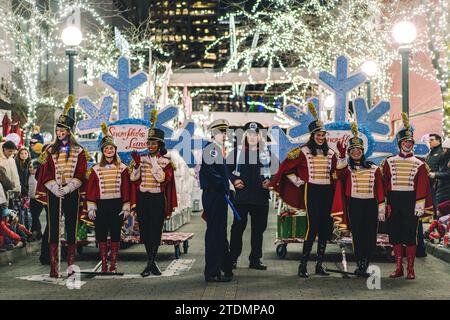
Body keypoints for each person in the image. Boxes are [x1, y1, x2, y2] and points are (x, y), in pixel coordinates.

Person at [269, 102, 338, 278]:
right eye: (318, 135)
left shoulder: (331, 153)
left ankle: (320, 265)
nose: (321, 137)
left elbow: (336, 172)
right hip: (312, 191)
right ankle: (303, 265)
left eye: (323, 134)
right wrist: (299, 182)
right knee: (312, 227)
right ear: (312, 135)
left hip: (327, 192)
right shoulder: (302, 151)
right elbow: (286, 168)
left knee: (325, 228)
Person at [35, 96, 89, 278]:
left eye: (62, 130)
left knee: (71, 225)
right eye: (57, 129)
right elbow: (45, 173)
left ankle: (71, 265)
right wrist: (53, 187)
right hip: (54, 192)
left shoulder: (79, 150)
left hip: (71, 192)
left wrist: (68, 188)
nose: (59, 132)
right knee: (53, 226)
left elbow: (82, 173)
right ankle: (53, 265)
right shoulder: (49, 150)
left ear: (69, 131)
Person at [381, 113, 433, 280]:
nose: (407, 144)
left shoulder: (419, 163)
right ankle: (398, 268)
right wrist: (383, 204)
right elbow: (384, 183)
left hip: (411, 201)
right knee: (395, 234)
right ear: (400, 144)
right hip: (394, 201)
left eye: (410, 142)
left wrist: (420, 203)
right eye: (405, 142)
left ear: (413, 144)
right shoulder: (389, 162)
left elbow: (423, 184)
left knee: (410, 235)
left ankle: (410, 269)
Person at [333, 122, 385, 277]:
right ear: (350, 152)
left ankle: (366, 262)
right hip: (354, 204)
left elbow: (380, 189)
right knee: (357, 235)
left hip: (371, 205)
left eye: (358, 150)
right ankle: (359, 263)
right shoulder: (347, 169)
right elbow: (339, 175)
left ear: (363, 152)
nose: (356, 153)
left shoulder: (374, 168)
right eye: (353, 150)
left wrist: (381, 207)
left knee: (370, 235)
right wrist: (341, 156)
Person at [130, 111, 177, 277]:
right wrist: (136, 166)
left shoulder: (166, 161)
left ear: (159, 144)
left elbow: (162, 179)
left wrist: (154, 163)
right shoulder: (141, 158)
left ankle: (151, 262)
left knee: (156, 231)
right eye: (148, 143)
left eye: (153, 143)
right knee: (145, 230)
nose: (150, 146)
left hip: (157, 199)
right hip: (143, 199)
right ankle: (151, 262)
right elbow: (133, 178)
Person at [86, 123, 131, 273]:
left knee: (116, 234)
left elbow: (126, 187)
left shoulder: (123, 168)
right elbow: (91, 188)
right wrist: (91, 207)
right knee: (101, 234)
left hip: (117, 205)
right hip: (101, 205)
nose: (109, 150)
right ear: (103, 151)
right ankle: (104, 263)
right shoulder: (95, 169)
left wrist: (126, 206)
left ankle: (113, 263)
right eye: (106, 148)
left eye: (111, 148)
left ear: (115, 150)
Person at [228, 121, 272, 270]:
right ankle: (232, 258)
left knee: (258, 230)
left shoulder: (267, 153)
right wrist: (234, 180)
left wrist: (270, 181)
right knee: (237, 229)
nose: (253, 137)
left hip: (261, 198)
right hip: (242, 198)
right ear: (246, 135)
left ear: (260, 136)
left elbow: (276, 171)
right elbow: (226, 169)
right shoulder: (236, 152)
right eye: (250, 134)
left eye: (256, 134)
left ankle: (255, 259)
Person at [200, 119, 234, 282]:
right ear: (214, 133)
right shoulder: (212, 149)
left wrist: (228, 189)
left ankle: (222, 267)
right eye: (222, 132)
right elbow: (210, 171)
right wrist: (222, 186)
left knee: (219, 232)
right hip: (214, 195)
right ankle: (212, 271)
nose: (225, 135)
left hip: (217, 194)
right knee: (215, 233)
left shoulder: (216, 149)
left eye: (225, 132)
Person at [430, 138, 450, 217]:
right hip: (441, 190)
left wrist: (435, 175)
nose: (443, 150)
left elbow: (448, 174)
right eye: (443, 148)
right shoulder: (444, 159)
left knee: (443, 214)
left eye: (445, 149)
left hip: (447, 191)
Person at [28, 160, 43, 241]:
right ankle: (38, 233)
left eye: (34, 168)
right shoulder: (28, 176)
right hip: (31, 199)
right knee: (34, 216)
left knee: (35, 216)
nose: (32, 169)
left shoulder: (39, 177)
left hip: (39, 199)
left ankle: (35, 233)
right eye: (30, 167)